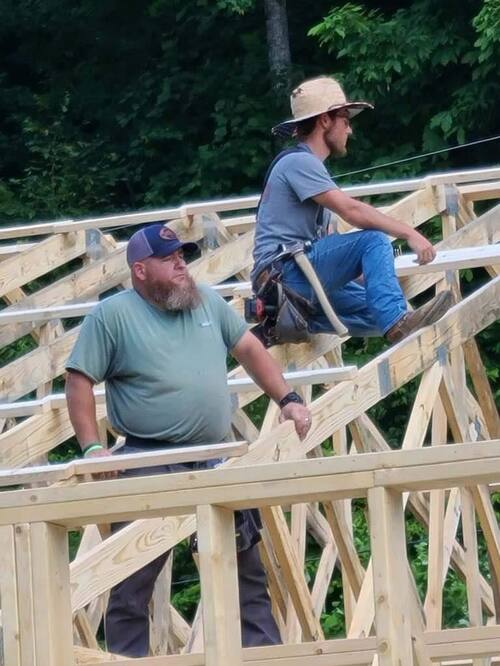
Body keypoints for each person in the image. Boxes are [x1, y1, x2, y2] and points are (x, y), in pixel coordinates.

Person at [65, 223, 311, 657]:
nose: (181, 265)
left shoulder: (207, 302)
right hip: (148, 459)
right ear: (140, 270)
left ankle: (265, 658)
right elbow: (78, 379)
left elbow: (250, 349)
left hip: (214, 457)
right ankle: (127, 661)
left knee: (246, 572)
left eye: (182, 256)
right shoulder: (112, 316)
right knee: (131, 580)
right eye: (169, 259)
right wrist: (92, 449)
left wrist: (288, 399)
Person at [251, 76, 452, 344]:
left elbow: (330, 250)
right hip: (286, 274)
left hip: (295, 279)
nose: (350, 130)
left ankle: (288, 321)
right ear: (325, 120)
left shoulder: (307, 168)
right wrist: (409, 234)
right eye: (345, 120)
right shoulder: (299, 162)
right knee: (374, 240)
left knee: (376, 312)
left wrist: (376, 272)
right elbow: (351, 211)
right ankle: (395, 320)